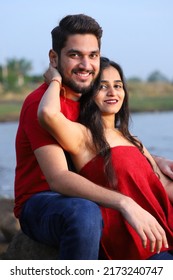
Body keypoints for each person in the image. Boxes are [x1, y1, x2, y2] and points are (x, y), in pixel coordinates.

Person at [14, 14, 173, 260]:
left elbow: (111, 145)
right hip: (44, 200)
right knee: (84, 212)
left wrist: (151, 159)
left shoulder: (89, 102)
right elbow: (58, 178)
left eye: (93, 55)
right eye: (74, 54)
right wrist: (125, 203)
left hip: (86, 194)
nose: (86, 64)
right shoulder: (42, 103)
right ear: (54, 58)